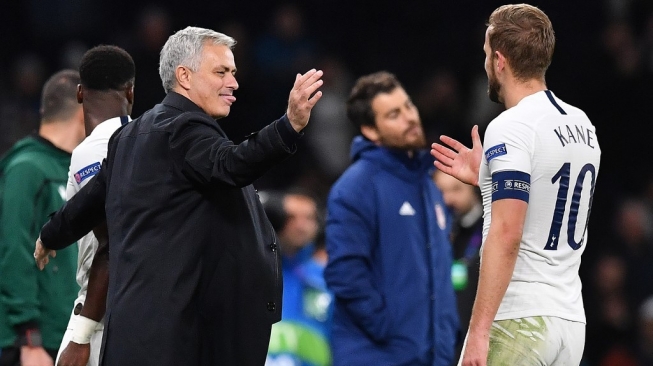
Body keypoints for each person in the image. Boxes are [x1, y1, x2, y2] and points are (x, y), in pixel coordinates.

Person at [34, 26, 323, 366]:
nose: (233, 83)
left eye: (233, 72)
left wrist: (50, 235)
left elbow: (86, 204)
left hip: (139, 336)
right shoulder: (184, 129)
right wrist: (289, 125)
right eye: (221, 72)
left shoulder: (129, 136)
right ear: (184, 76)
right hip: (180, 340)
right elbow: (234, 163)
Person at [431, 4, 602, 365]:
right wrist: (488, 176)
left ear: (500, 60)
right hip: (570, 322)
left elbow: (508, 232)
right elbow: (550, 197)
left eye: (485, 56)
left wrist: (478, 331)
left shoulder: (511, 127)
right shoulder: (582, 123)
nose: (484, 65)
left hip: (520, 318)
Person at [324, 71, 459, 366]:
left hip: (432, 355)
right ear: (371, 130)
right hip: (378, 356)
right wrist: (390, 329)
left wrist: (444, 337)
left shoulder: (427, 185)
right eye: (394, 114)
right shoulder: (356, 187)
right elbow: (345, 273)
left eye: (408, 106)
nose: (410, 117)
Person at [53, 44, 135, 366]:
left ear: (79, 93)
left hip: (100, 316)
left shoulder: (95, 149)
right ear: (130, 91)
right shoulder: (146, 142)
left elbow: (111, 241)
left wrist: (82, 335)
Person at [0, 69, 85, 366]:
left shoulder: (79, 170)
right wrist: (29, 337)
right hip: (36, 343)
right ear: (82, 108)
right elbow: (13, 250)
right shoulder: (27, 169)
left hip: (69, 336)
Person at [264, 189, 333, 366]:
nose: (300, 226)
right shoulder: (256, 276)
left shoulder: (329, 279)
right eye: (291, 217)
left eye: (308, 218)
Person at [433, 169, 483, 363]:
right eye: (441, 191)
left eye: (456, 189)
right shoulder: (435, 232)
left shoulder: (493, 226)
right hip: (444, 342)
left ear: (473, 187)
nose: (448, 199)